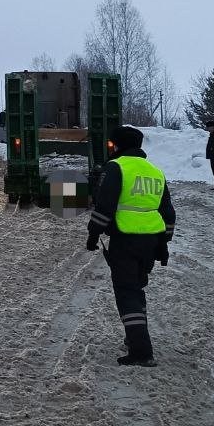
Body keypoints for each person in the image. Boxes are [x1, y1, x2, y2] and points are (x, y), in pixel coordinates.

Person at [86, 125, 175, 367]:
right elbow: (167, 211)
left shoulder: (116, 168)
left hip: (125, 239)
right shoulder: (155, 171)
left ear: (117, 145)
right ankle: (133, 337)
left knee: (127, 292)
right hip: (151, 241)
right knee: (136, 289)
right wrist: (164, 243)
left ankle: (141, 351)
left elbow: (104, 206)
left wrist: (93, 235)